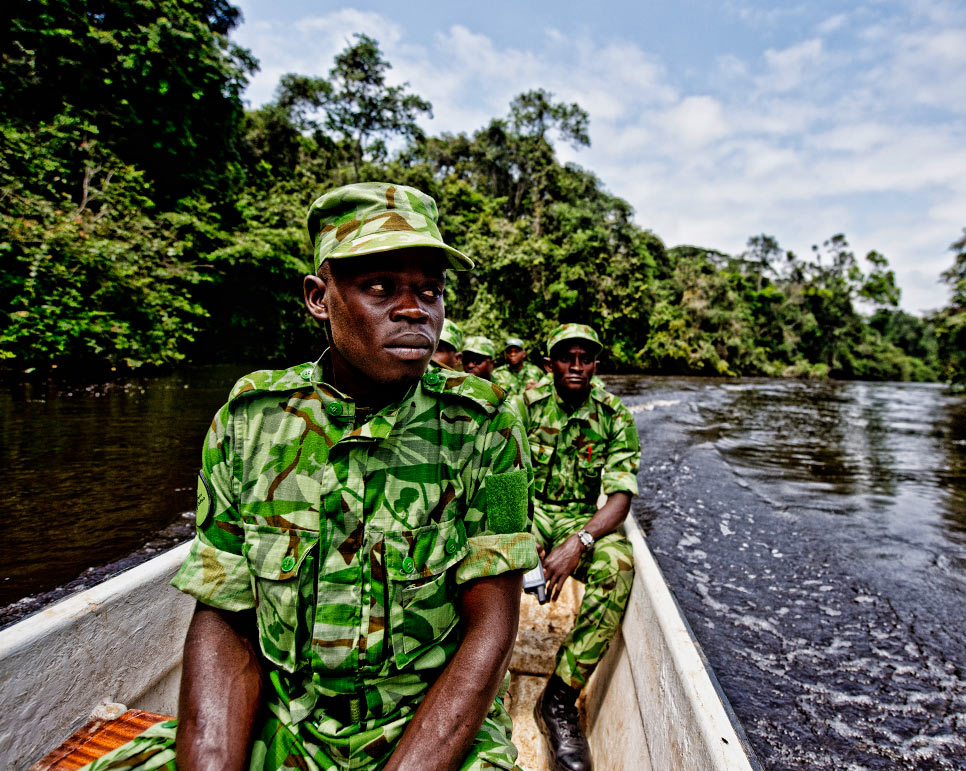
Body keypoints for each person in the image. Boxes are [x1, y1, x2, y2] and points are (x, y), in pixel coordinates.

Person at [80, 183, 537, 771]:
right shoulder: (250, 423)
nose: (413, 309)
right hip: (287, 720)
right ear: (320, 298)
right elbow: (226, 616)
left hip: (430, 729)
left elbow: (491, 630)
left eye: (431, 290)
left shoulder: (486, 424)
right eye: (379, 287)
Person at [513, 323, 639, 771]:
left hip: (576, 518)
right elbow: (504, 474)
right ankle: (479, 679)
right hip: (526, 509)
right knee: (479, 552)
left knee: (619, 563)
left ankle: (560, 699)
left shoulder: (614, 414)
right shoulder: (523, 405)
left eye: (586, 359)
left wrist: (579, 542)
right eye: (568, 357)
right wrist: (521, 536)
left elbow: (620, 497)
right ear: (550, 364)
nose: (578, 367)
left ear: (595, 365)